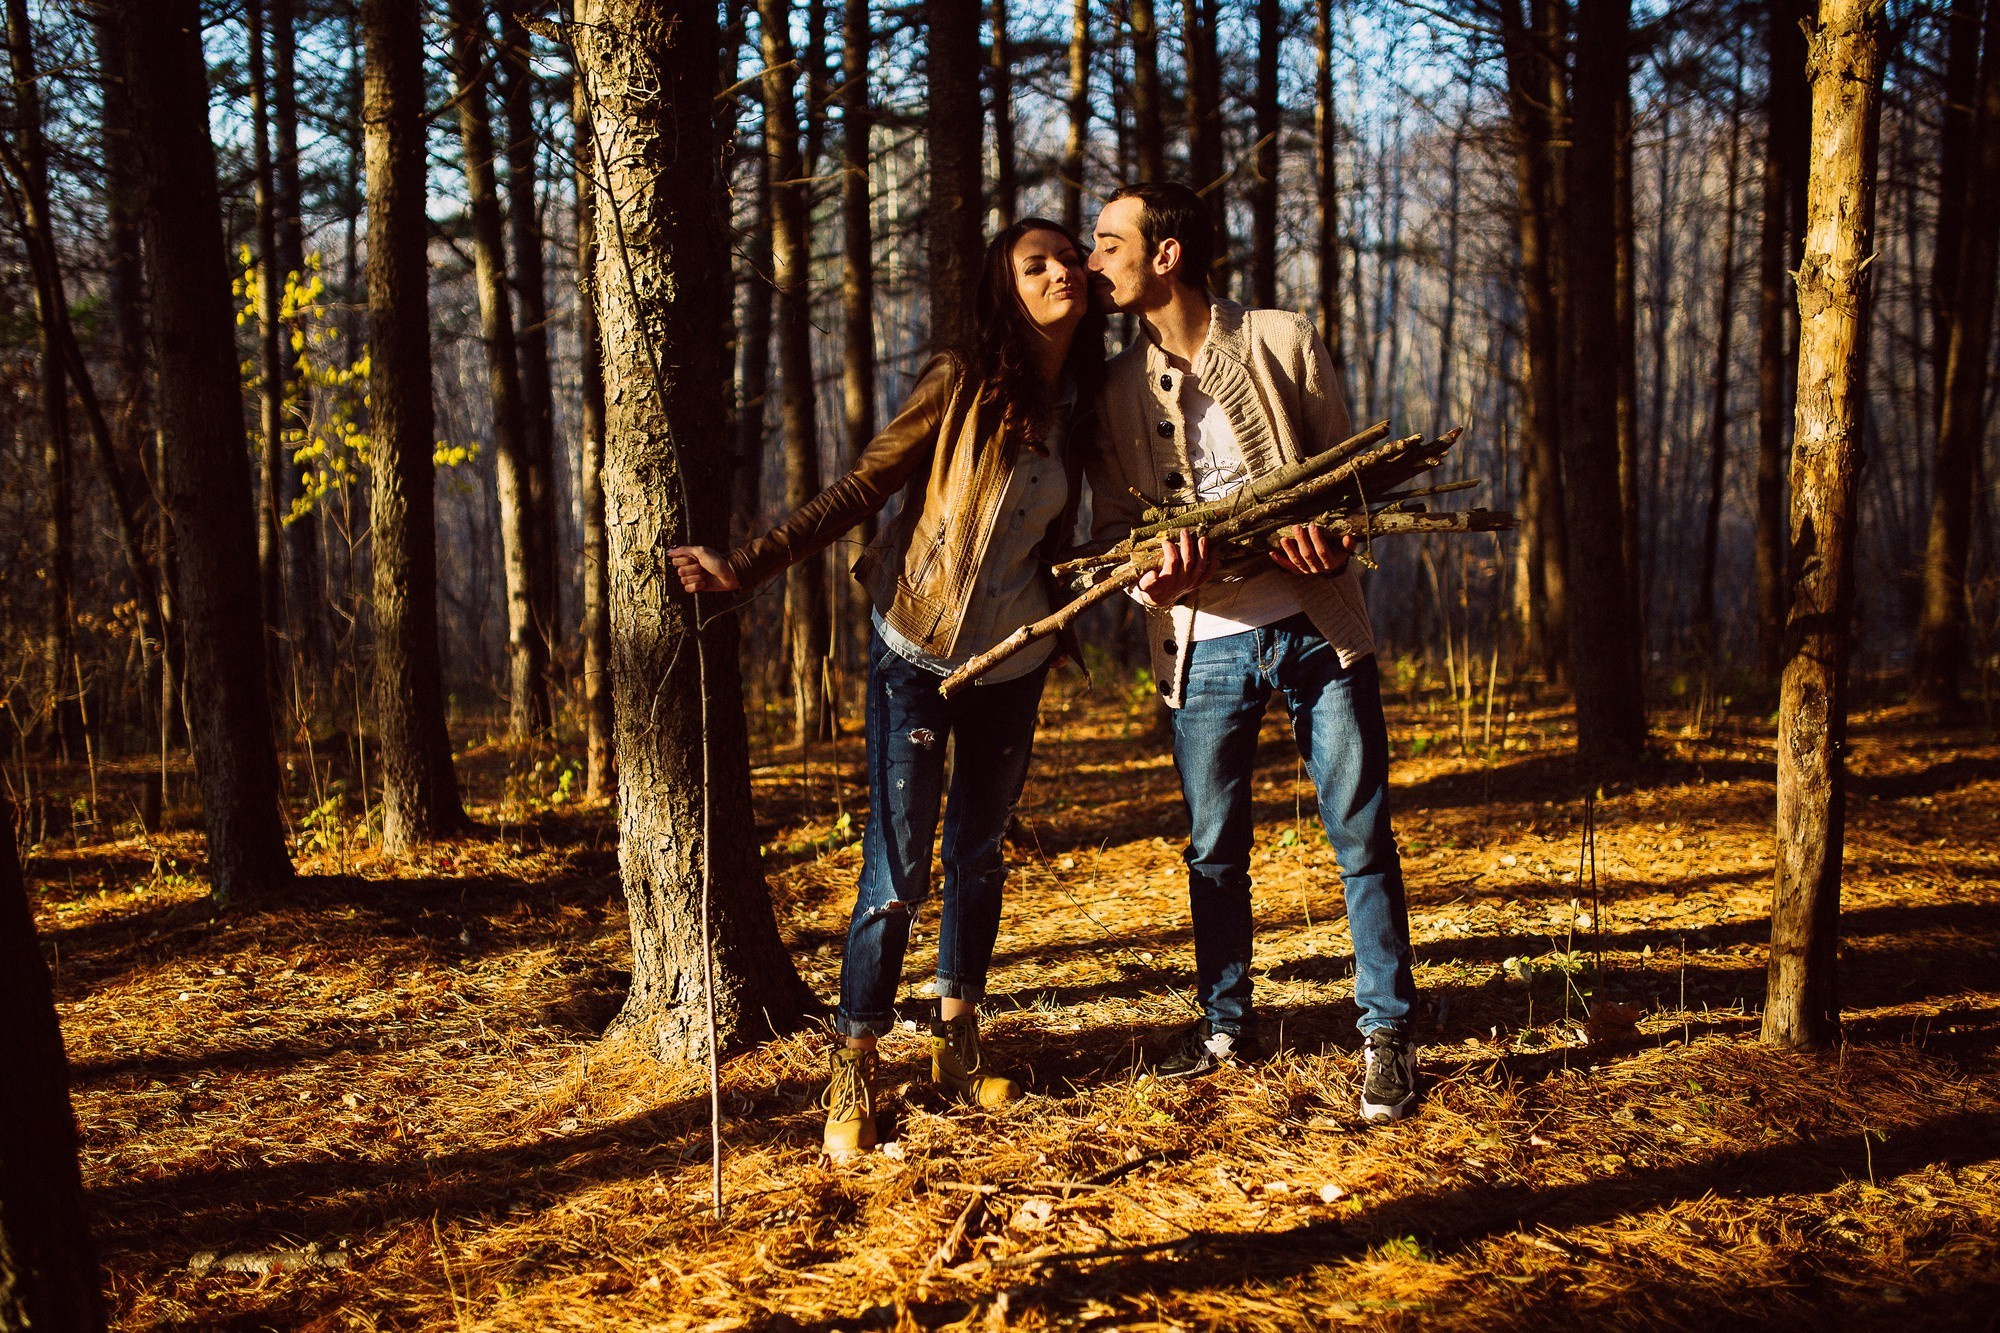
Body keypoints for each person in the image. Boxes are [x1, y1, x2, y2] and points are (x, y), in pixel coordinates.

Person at [669, 218, 1103, 1153]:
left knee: (979, 854)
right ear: (1007, 288)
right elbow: (863, 488)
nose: (1061, 272)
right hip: (919, 649)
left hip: (1016, 659)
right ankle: (853, 1064)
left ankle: (956, 1044)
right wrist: (748, 565)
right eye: (1037, 266)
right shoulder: (961, 380)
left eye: (1070, 257)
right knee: (897, 865)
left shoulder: (1089, 399)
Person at [1084, 182, 1420, 1122]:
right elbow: (1115, 534)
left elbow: (1347, 483)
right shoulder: (1113, 391)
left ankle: (1386, 1031)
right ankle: (1225, 1027)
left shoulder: (1283, 339)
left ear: (1167, 254)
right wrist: (1160, 575)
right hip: (1203, 647)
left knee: (1360, 833)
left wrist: (1336, 538)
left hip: (1318, 628)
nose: (1093, 259)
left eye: (1110, 242)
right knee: (1214, 849)